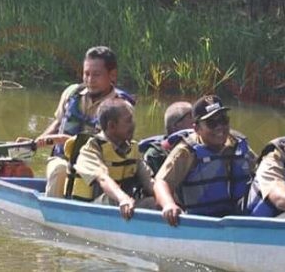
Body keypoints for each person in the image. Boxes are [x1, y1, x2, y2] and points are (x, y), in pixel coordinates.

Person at [29, 46, 135, 197]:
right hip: (63, 160)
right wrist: (36, 142)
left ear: (112, 75)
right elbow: (59, 123)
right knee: (58, 169)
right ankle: (53, 213)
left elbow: (118, 145)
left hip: (98, 167)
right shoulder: (72, 93)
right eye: (86, 74)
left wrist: (65, 140)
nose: (90, 80)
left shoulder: (121, 106)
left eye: (96, 75)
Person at [154, 95, 257, 226]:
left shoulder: (237, 144)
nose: (220, 127)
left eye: (224, 120)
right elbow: (161, 182)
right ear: (197, 128)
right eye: (212, 123)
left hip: (238, 218)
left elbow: (260, 171)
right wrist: (168, 204)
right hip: (200, 221)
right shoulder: (186, 151)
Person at [67, 98, 154, 220]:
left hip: (124, 205)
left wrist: (168, 202)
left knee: (153, 202)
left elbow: (149, 181)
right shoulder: (91, 149)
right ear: (111, 126)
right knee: (112, 199)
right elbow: (103, 178)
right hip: (88, 210)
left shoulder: (132, 149)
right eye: (128, 121)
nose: (133, 125)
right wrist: (123, 198)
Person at [138, 101, 194, 173]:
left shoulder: (198, 147)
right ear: (176, 125)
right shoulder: (156, 155)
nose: (196, 121)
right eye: (191, 117)